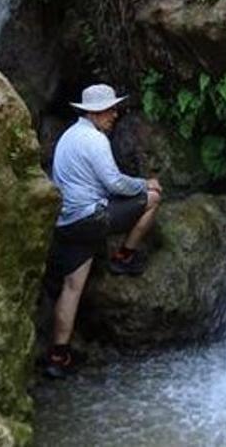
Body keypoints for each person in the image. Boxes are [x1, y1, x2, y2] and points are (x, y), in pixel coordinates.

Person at [43, 83, 162, 378]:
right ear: (94, 113)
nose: (115, 114)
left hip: (68, 223)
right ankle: (124, 257)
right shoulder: (95, 141)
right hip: (92, 219)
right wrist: (145, 184)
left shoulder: (68, 136)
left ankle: (58, 358)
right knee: (153, 200)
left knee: (72, 287)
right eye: (110, 110)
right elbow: (115, 184)